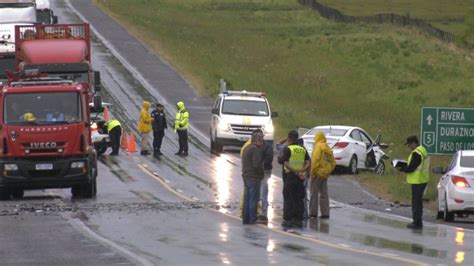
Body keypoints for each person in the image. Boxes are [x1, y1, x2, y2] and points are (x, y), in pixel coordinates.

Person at [278, 130, 310, 228]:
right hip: (300, 178)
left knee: (288, 199)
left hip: (289, 177)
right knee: (299, 199)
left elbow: (284, 162)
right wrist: (301, 170)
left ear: (289, 138)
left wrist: (294, 171)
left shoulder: (288, 149)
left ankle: (288, 220)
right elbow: (308, 162)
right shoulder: (302, 149)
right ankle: (298, 220)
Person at [396, 135, 429, 230]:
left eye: (409, 145)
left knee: (416, 202)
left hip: (418, 180)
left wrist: (401, 168)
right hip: (422, 180)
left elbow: (412, 167)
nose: (409, 147)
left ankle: (416, 222)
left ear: (414, 143)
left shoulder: (416, 153)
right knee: (418, 202)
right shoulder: (422, 150)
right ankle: (418, 222)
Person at [309, 131, 336, 219]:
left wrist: (312, 172)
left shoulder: (318, 147)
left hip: (317, 174)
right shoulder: (328, 148)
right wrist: (327, 171)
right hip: (325, 174)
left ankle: (313, 213)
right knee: (324, 194)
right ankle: (325, 213)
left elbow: (315, 160)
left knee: (314, 193)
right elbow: (333, 163)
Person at [241, 131, 265, 224]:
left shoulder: (246, 148)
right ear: (257, 140)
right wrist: (261, 173)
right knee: (253, 199)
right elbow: (256, 165)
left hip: (246, 175)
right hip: (253, 177)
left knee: (247, 198)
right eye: (261, 140)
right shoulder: (255, 149)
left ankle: (245, 218)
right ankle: (252, 218)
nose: (262, 142)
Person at [259, 139, 274, 223]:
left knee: (263, 191)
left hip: (264, 171)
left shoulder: (265, 147)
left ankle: (263, 213)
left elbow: (268, 159)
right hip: (265, 171)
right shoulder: (268, 147)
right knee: (263, 191)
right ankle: (262, 212)